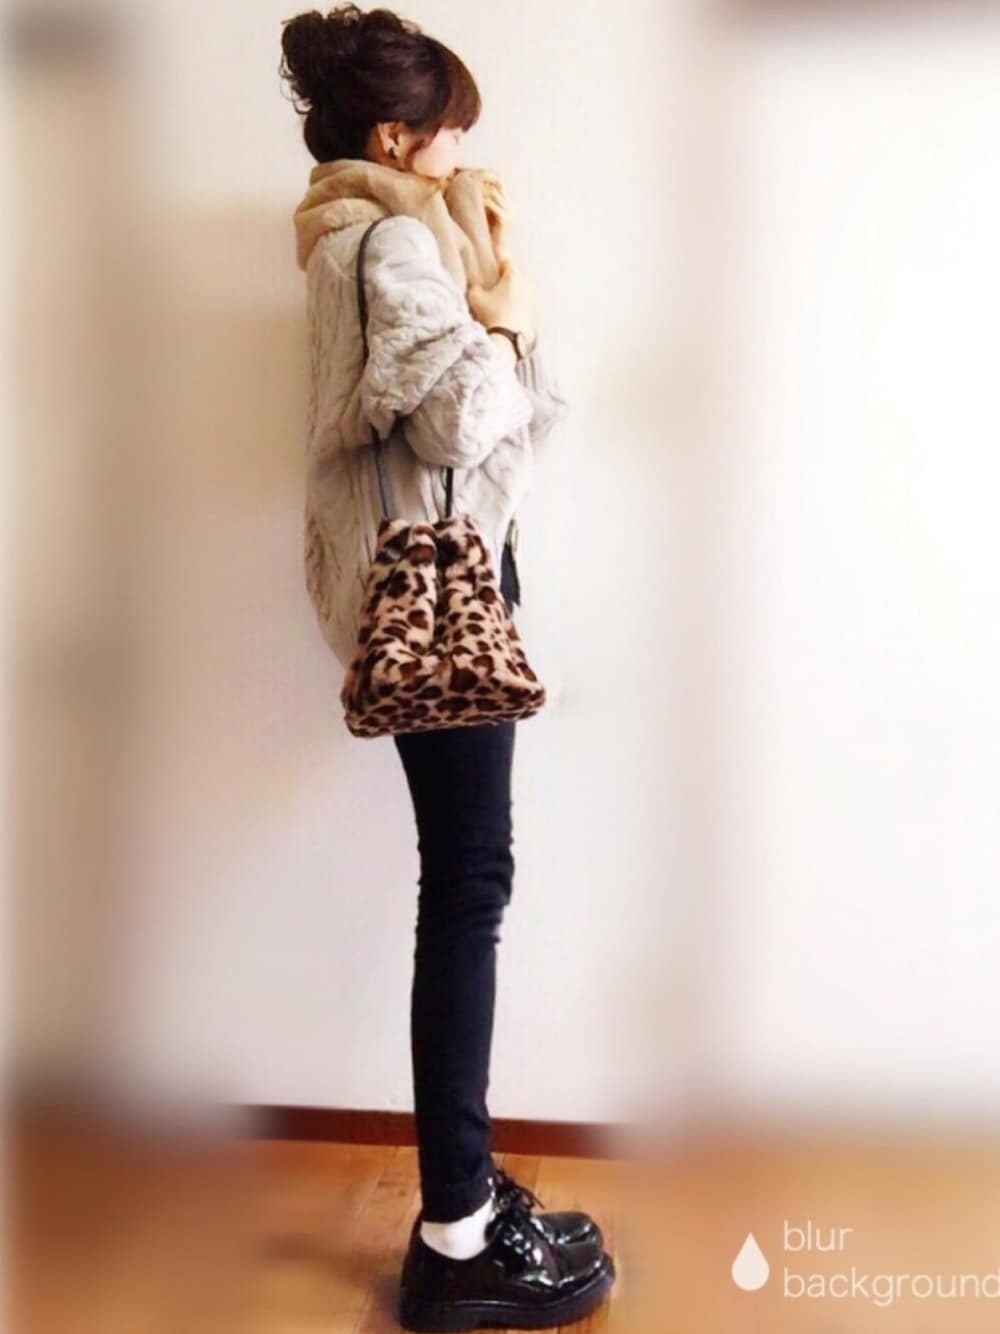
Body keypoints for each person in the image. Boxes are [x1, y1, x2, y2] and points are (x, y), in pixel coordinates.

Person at [280, 6, 615, 1328]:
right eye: (451, 129)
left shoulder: (344, 237)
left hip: (417, 588)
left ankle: (463, 1203)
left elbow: (506, 421)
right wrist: (509, 315)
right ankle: (457, 1237)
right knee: (469, 885)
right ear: (395, 135)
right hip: (443, 599)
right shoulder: (397, 242)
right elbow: (468, 419)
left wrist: (499, 292)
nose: (466, 148)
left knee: (463, 881)